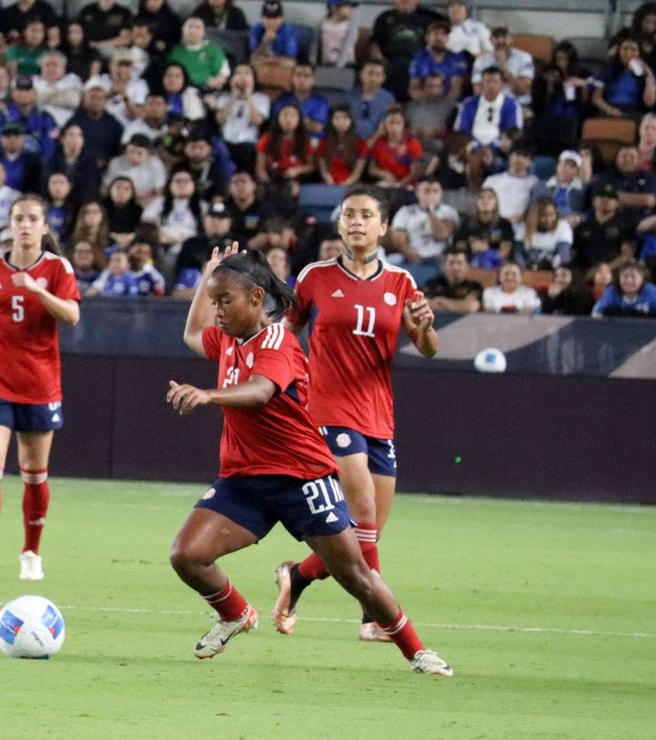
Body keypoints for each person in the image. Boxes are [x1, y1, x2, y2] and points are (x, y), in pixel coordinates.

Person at [167, 242, 451, 675]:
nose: (217, 311)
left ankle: (416, 650)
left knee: (355, 575)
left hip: (303, 479)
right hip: (245, 480)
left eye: (224, 301)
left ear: (256, 299)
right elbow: (192, 335)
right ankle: (236, 614)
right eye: (214, 301)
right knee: (186, 555)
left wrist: (208, 395)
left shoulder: (278, 341)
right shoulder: (229, 337)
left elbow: (261, 392)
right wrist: (207, 280)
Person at [270, 185, 442, 643]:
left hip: (378, 414)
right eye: (349, 215)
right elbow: (286, 331)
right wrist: (280, 378)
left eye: (366, 215)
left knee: (365, 534)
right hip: (327, 408)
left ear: (383, 227)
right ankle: (375, 619)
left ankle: (297, 576)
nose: (356, 222)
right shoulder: (313, 277)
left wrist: (424, 328)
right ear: (340, 224)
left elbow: (427, 348)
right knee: (361, 507)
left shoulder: (401, 283)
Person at [0, 197, 82, 580]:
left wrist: (38, 291)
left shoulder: (57, 268)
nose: (25, 225)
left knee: (34, 474)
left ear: (44, 227)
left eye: (32, 219)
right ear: (10, 225)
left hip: (39, 383)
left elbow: (73, 315)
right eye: (18, 219)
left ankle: (30, 552)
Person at [592, 260, 656, 317]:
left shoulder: (652, 292)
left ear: (642, 278)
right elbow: (596, 313)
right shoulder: (611, 291)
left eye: (633, 277)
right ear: (619, 278)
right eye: (625, 276)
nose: (629, 280)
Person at [424, 248, 483, 312]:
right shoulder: (433, 284)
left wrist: (441, 301)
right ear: (444, 266)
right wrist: (461, 305)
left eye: (459, 263)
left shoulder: (475, 287)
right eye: (451, 263)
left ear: (466, 266)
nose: (455, 268)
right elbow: (427, 305)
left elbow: (470, 307)